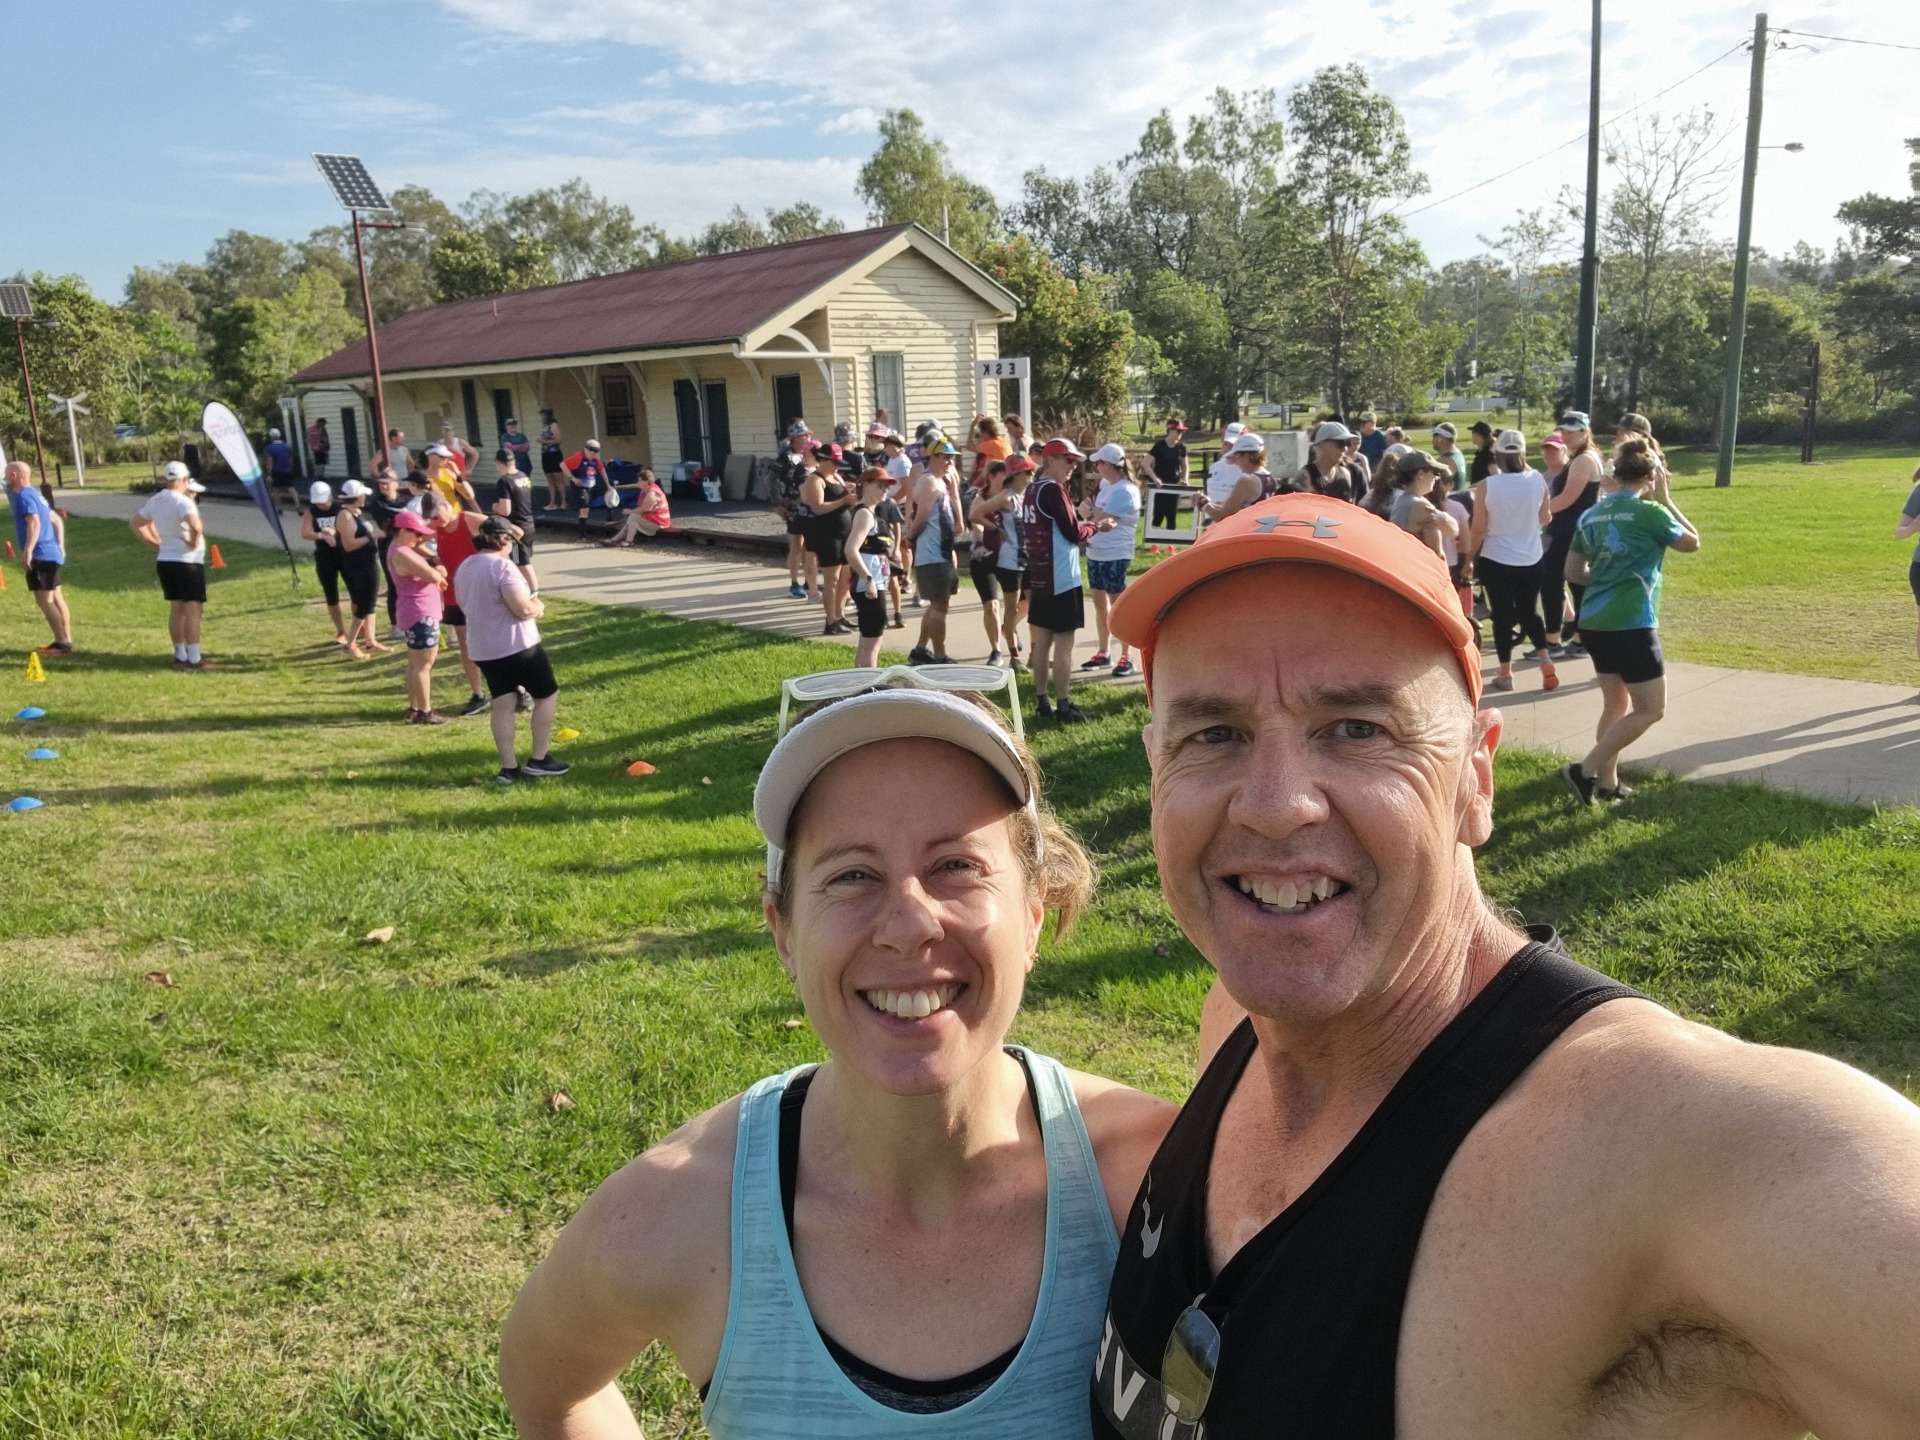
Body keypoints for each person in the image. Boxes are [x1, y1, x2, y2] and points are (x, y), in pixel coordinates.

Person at [1093, 490, 1920, 1440]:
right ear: (1156, 765)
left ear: (1476, 779)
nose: (1276, 806)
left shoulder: (1673, 1154)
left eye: (1358, 728)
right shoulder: (1234, 1028)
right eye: (1214, 735)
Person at [499, 680, 1175, 1439]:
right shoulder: (683, 1212)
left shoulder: (1157, 1185)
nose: (909, 924)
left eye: (956, 865)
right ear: (783, 932)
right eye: (852, 875)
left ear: (1033, 911)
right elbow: (546, 1384)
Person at [1561, 436, 1701, 805]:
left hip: (1593, 622)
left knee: (1615, 706)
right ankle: (1585, 769)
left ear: (1616, 473)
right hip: (1633, 623)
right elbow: (1692, 543)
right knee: (1651, 709)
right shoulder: (1651, 513)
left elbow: (1573, 570)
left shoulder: (1591, 514)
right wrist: (1667, 500)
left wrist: (1606, 580)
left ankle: (1607, 784)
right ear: (1651, 476)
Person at [454, 516, 568, 783]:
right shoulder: (503, 568)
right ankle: (539, 759)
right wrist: (538, 606)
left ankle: (508, 768)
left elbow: (463, 603)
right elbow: (523, 609)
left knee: (502, 703)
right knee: (547, 695)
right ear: (504, 539)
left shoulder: (466, 566)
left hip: (483, 649)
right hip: (517, 645)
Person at [1466, 429, 1559, 694]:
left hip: (1497, 558)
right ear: (1522, 453)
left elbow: (1478, 528)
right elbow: (1546, 518)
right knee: (1530, 611)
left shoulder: (1487, 485)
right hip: (1531, 558)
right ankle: (1545, 657)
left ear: (1497, 454)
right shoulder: (1537, 480)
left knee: (1503, 616)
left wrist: (1468, 561)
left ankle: (1505, 672)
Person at [1021, 439, 1092, 722]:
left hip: (1040, 573)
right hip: (1061, 574)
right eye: (1067, 460)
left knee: (1044, 639)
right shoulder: (1052, 489)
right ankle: (1063, 705)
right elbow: (1073, 532)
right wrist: (1095, 525)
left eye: (1074, 461)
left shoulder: (1032, 488)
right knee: (1064, 640)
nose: (1072, 466)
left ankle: (1042, 702)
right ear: (1050, 460)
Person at [130, 460, 211, 669]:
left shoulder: (156, 500)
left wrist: (153, 544)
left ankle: (180, 654)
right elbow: (195, 525)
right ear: (184, 479)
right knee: (193, 609)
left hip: (166, 560)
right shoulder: (183, 501)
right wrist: (193, 541)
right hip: (187, 561)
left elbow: (136, 523)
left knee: (177, 608)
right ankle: (194, 658)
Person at [431, 473, 494, 718]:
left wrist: (490, 558)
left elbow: (510, 532)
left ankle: (518, 689)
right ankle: (478, 694)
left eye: (437, 517)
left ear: (448, 506)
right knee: (466, 647)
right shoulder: (436, 528)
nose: (435, 523)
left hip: (477, 593)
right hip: (453, 595)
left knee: (492, 643)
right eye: (431, 520)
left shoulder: (468, 519)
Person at [1082, 443, 1140, 679]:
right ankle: (1104, 652)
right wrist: (1090, 512)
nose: (1096, 467)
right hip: (1095, 552)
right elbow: (1086, 510)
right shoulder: (1105, 484)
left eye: (1099, 463)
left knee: (1119, 607)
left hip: (1116, 553)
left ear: (1108, 465)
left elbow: (1095, 517)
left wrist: (1090, 512)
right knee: (1099, 605)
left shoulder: (1125, 491)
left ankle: (1127, 656)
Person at [386, 509, 448, 724]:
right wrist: (439, 568)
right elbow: (433, 575)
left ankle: (415, 707)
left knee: (415, 663)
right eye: (416, 534)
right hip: (421, 613)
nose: (420, 539)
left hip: (413, 612)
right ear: (403, 531)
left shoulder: (399, 549)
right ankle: (425, 711)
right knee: (424, 666)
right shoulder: (402, 553)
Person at [971, 455, 1031, 671]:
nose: (1030, 476)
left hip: (1028, 556)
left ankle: (1025, 644)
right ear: (1016, 475)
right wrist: (996, 530)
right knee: (1011, 605)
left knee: (1031, 605)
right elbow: (976, 514)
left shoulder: (1028, 494)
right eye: (1027, 472)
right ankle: (1014, 656)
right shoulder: (1007, 496)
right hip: (1009, 558)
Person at [6, 460, 72, 656]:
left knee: (45, 601)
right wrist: (60, 545)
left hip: (41, 555)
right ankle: (66, 639)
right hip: (52, 553)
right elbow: (56, 519)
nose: (6, 478)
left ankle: (62, 644)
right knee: (57, 599)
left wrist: (28, 550)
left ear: (15, 475)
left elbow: (33, 522)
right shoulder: (36, 494)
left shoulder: (23, 496)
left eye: (7, 474)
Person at [907, 439, 964, 664]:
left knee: (938, 604)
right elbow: (921, 516)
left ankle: (920, 649)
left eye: (952, 457)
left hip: (941, 554)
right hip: (931, 555)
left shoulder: (942, 481)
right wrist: (910, 537)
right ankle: (939, 655)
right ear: (933, 457)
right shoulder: (929, 482)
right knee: (939, 606)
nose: (950, 461)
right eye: (946, 457)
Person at [841, 468, 896, 665]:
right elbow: (851, 550)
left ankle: (861, 685)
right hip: (870, 586)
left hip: (874, 583)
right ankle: (870, 688)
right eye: (880, 485)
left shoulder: (869, 513)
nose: (885, 489)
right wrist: (868, 578)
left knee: (868, 641)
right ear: (866, 485)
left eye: (887, 486)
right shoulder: (864, 515)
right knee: (873, 642)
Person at [802, 442, 854, 636]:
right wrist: (843, 500)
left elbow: (842, 500)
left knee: (845, 578)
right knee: (831, 580)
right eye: (833, 462)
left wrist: (847, 491)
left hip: (844, 533)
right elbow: (818, 507)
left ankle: (840, 616)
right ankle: (830, 621)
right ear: (822, 459)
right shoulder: (815, 480)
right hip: (827, 535)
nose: (837, 466)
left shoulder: (836, 476)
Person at [333, 479, 390, 658]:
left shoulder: (355, 512)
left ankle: (370, 641)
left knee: (370, 602)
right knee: (364, 604)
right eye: (363, 494)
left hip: (367, 562)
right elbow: (349, 544)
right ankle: (350, 644)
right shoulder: (345, 516)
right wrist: (372, 536)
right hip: (359, 565)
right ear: (357, 497)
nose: (365, 497)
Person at [1387, 447, 1460, 564]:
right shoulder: (1421, 506)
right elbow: (1437, 556)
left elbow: (1454, 530)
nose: (1437, 478)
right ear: (1420, 474)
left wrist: (1442, 517)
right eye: (1434, 473)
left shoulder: (1401, 500)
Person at [773, 420, 820, 601]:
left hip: (810, 507)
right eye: (804, 435)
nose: (808, 437)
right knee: (796, 545)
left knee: (810, 547)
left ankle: (810, 581)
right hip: (793, 507)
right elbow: (771, 480)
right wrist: (777, 503)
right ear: (794, 438)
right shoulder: (786, 457)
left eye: (809, 434)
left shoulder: (812, 455)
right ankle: (794, 583)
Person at [300, 480, 348, 645]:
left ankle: (360, 625)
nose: (323, 505)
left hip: (344, 554)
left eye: (325, 500)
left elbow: (351, 527)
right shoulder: (311, 512)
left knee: (355, 589)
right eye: (319, 502)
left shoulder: (340, 509)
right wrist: (322, 535)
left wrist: (336, 532)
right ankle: (341, 630)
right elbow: (305, 533)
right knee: (331, 593)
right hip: (324, 556)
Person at [365, 470, 407, 634]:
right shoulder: (377, 503)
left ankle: (409, 620)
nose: (383, 486)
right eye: (380, 483)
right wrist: (403, 524)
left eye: (386, 483)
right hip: (388, 548)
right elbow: (386, 526)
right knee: (394, 585)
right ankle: (395, 625)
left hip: (407, 546)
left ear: (396, 483)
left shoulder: (406, 500)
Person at [490, 448, 538, 591]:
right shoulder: (523, 476)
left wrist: (495, 507)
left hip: (516, 528)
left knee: (521, 564)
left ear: (499, 463)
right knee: (523, 560)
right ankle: (521, 589)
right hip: (529, 523)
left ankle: (533, 593)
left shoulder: (505, 481)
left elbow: (505, 510)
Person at [1289, 422, 1359, 503]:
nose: (1345, 449)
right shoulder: (1306, 476)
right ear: (1322, 445)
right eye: (1340, 444)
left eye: (1347, 444)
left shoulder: (1345, 474)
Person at [603, 469, 672, 547]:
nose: (637, 483)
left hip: (659, 522)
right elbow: (633, 485)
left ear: (646, 481)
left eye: (639, 480)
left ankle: (628, 541)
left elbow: (645, 509)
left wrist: (629, 511)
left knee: (633, 517)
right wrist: (616, 487)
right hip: (651, 517)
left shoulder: (651, 494)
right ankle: (614, 540)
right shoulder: (646, 487)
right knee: (631, 520)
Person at [1204, 434, 1265, 521]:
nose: (1236, 462)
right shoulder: (1269, 478)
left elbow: (1221, 516)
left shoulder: (1247, 481)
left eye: (1237, 458)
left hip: (1247, 531)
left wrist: (1203, 504)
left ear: (1246, 457)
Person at [561, 439, 609, 538]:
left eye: (595, 453)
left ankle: (611, 518)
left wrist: (608, 484)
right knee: (584, 509)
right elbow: (563, 464)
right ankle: (582, 535)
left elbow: (602, 469)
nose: (593, 455)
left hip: (592, 484)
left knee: (609, 495)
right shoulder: (579, 457)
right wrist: (572, 477)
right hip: (581, 486)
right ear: (587, 450)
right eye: (592, 453)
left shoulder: (595, 459)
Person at [1147, 419, 1189, 529]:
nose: (1180, 434)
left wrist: (1184, 479)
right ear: (1170, 430)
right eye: (1178, 431)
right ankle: (1153, 542)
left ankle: (1171, 544)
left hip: (1174, 485)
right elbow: (1145, 464)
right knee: (1158, 514)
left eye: (1182, 432)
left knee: (1172, 515)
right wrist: (1155, 479)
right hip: (1159, 486)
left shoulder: (1181, 448)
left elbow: (1185, 465)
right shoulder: (1160, 446)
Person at [1431, 420, 1468, 495]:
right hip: (1458, 498)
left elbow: (1434, 487)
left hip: (1448, 500)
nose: (1433, 439)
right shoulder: (1458, 453)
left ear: (1441, 439)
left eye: (1435, 436)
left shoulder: (1444, 460)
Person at [539, 411, 566, 510]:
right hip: (545, 454)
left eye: (543, 415)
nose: (542, 417)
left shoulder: (553, 425)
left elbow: (558, 439)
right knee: (550, 479)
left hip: (554, 454)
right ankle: (552, 502)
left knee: (559, 479)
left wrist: (544, 441)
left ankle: (563, 502)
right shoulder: (544, 426)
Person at [264, 427, 297, 505]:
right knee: (291, 488)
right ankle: (298, 506)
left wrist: (269, 473)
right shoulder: (286, 446)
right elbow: (290, 459)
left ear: (271, 437)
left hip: (276, 471)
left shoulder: (269, 447)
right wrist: (290, 468)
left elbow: (270, 461)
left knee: (276, 490)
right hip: (287, 470)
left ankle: (279, 508)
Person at [1467, 418, 1498, 485]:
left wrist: (1477, 486)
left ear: (1479, 436)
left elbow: (1496, 477)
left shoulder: (1488, 456)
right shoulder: (1480, 454)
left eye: (1473, 433)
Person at [306, 415, 330, 481]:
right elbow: (325, 438)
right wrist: (327, 446)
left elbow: (307, 439)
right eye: (324, 423)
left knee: (317, 462)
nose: (324, 425)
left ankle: (318, 475)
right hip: (321, 448)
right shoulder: (321, 429)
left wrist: (312, 445)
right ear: (321, 422)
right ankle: (321, 476)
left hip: (314, 448)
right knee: (322, 462)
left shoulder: (310, 428)